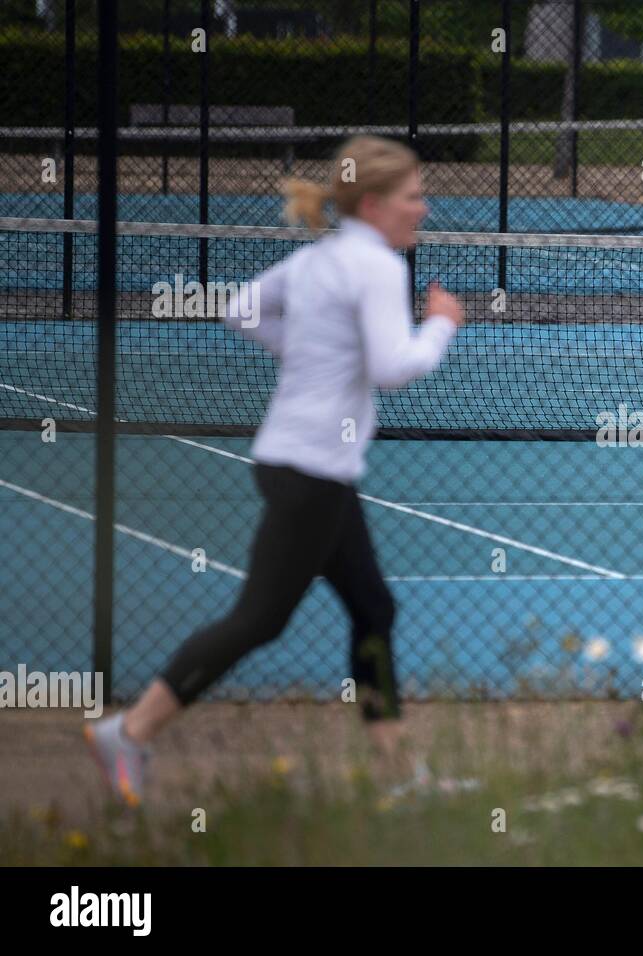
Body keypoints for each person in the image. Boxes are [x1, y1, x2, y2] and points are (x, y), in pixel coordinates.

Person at [85, 136, 464, 807]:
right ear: (374, 203)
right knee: (260, 619)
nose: (423, 208)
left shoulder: (321, 258)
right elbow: (392, 367)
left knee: (374, 608)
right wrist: (440, 326)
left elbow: (240, 311)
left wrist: (310, 352)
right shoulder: (375, 268)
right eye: (412, 197)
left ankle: (398, 776)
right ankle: (132, 730)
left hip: (304, 464)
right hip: (310, 469)